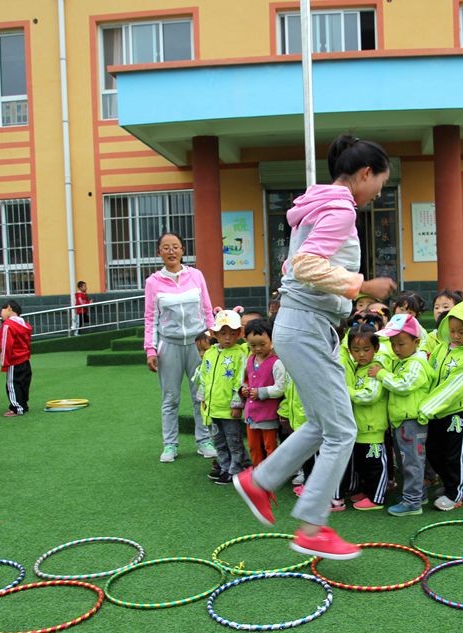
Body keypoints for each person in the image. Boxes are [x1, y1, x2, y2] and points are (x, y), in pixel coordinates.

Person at [232, 134, 396, 561]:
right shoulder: (340, 208)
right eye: (380, 182)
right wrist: (361, 284)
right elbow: (305, 265)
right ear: (365, 174)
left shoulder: (318, 205)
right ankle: (312, 526)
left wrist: (344, 292)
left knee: (325, 424)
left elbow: (293, 263)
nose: (379, 192)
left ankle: (260, 480)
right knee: (343, 429)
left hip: (303, 325)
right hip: (304, 326)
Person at [144, 231, 217, 463]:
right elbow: (150, 318)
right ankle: (170, 445)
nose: (171, 251)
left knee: (201, 395)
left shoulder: (196, 276)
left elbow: (207, 309)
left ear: (183, 250)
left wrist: (212, 337)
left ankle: (204, 440)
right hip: (170, 346)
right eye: (166, 247)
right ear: (159, 253)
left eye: (175, 246)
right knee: (170, 398)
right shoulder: (153, 282)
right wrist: (151, 349)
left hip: (198, 346)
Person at [418, 297, 463, 512]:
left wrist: (426, 408)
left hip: (456, 414)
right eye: (452, 330)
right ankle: (449, 484)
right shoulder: (443, 348)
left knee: (455, 455)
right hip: (436, 413)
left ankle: (456, 494)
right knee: (435, 451)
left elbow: (453, 389)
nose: (456, 335)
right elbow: (430, 373)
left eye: (462, 332)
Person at [369, 313, 434, 516]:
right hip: (401, 420)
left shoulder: (416, 363)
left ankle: (413, 502)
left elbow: (403, 385)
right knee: (407, 460)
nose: (396, 349)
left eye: (401, 344)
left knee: (412, 462)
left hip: (411, 421)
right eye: (393, 343)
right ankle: (417, 494)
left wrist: (381, 373)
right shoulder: (403, 361)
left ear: (416, 342)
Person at [196, 308, 247, 484]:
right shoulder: (210, 353)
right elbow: (204, 375)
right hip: (212, 407)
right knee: (218, 440)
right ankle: (225, 466)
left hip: (228, 408)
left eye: (232, 333)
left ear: (239, 334)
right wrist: (202, 397)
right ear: (214, 333)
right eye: (223, 333)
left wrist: (236, 403)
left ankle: (236, 468)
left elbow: (240, 380)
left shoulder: (239, 353)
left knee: (233, 440)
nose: (227, 338)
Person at [343, 322, 389, 511]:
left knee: (375, 465)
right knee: (363, 464)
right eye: (356, 350)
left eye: (366, 349)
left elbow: (370, 395)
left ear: (376, 348)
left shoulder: (375, 367)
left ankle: (378, 498)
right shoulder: (356, 368)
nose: (361, 354)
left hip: (373, 427)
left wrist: (347, 391)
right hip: (359, 428)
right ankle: (367, 491)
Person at [241, 319, 285, 467]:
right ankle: (257, 472)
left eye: (262, 344)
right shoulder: (250, 359)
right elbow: (246, 380)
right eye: (253, 345)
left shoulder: (276, 362)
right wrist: (244, 389)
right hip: (251, 413)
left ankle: (271, 474)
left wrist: (260, 392)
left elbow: (280, 387)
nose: (257, 349)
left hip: (268, 414)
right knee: (253, 446)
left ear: (272, 341)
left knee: (270, 447)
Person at [0, 300, 32, 417]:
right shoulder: (25, 325)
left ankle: (16, 408)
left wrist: (4, 363)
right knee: (23, 384)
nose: (0, 313)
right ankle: (23, 405)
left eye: (1, 310)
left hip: (14, 360)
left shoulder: (8, 325)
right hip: (25, 360)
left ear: (9, 308)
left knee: (12, 384)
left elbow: (5, 345)